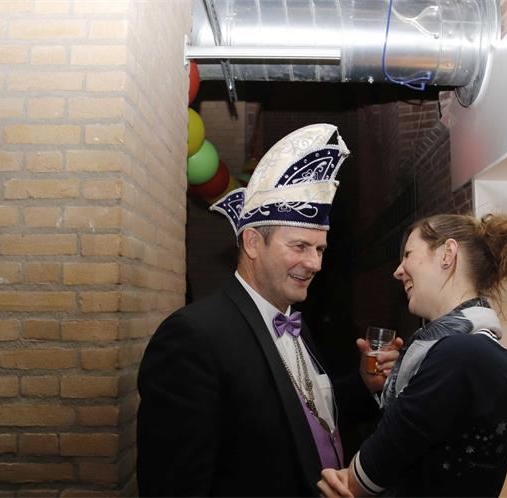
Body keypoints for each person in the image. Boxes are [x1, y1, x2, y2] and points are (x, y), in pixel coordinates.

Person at [136, 123, 401, 497]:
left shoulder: (294, 321)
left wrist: (362, 385)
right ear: (252, 243)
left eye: (320, 249)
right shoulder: (193, 338)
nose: (315, 264)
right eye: (299, 246)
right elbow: (174, 486)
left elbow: (305, 413)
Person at [318, 213, 507, 497]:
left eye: (408, 254)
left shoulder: (461, 354)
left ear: (447, 254)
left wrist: (342, 484)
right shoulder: (461, 349)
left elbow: (378, 463)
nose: (398, 271)